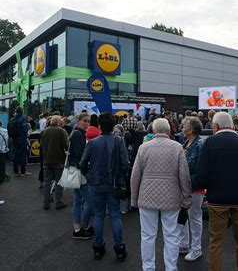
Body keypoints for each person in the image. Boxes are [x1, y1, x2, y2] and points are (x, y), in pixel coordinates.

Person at [196, 112, 238, 271]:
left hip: (217, 200)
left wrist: (206, 189)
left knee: (216, 242)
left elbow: (202, 174)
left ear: (215, 126)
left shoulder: (210, 143)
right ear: (233, 126)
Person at [131, 118, 191, 271]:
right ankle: (171, 268)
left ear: (153, 131)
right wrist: (187, 196)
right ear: (169, 131)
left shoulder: (144, 148)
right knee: (171, 235)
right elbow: (184, 175)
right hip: (171, 198)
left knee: (147, 236)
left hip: (147, 196)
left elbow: (135, 175)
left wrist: (134, 198)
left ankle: (148, 268)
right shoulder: (177, 147)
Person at [79, 112, 128, 262]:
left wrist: (89, 175)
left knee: (99, 215)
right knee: (114, 215)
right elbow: (125, 163)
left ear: (100, 125)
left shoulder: (93, 142)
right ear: (113, 125)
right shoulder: (119, 141)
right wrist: (120, 177)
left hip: (96, 183)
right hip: (113, 183)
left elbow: (82, 164)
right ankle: (119, 248)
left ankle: (98, 247)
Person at [177, 117, 204, 262]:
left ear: (191, 129)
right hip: (186, 187)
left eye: (185, 125)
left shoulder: (199, 144)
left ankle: (196, 248)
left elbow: (199, 170)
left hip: (193, 187)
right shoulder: (187, 142)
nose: (182, 127)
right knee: (185, 216)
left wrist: (186, 183)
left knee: (194, 217)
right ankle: (184, 244)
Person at [68, 112, 93, 239]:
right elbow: (80, 155)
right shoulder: (78, 134)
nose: (87, 123)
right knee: (90, 201)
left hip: (76, 170)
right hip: (79, 171)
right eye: (85, 121)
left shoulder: (78, 133)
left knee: (78, 200)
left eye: (88, 121)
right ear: (78, 121)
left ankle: (78, 228)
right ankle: (83, 225)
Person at [40, 115, 68, 210]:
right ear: (60, 122)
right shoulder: (61, 131)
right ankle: (58, 202)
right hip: (59, 159)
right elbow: (66, 145)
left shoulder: (44, 131)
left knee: (47, 182)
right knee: (58, 182)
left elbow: (41, 144)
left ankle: (46, 202)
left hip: (46, 160)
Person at [8, 107, 31, 176]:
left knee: (15, 155)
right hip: (22, 139)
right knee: (23, 155)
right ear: (22, 111)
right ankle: (23, 171)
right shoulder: (22, 118)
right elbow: (25, 130)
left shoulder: (12, 119)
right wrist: (28, 126)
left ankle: (16, 171)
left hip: (14, 139)